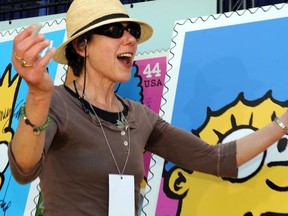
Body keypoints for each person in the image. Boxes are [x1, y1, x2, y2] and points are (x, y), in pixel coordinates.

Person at [8, 0, 288, 215]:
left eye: (133, 31)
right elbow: (24, 169)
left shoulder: (139, 116)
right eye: (115, 31)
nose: (130, 40)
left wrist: (283, 124)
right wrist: (38, 95)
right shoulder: (56, 102)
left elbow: (217, 159)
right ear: (82, 46)